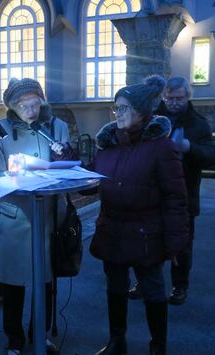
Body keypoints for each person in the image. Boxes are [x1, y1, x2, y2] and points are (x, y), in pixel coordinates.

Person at [88, 76, 189, 355]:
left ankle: (158, 347)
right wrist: (66, 164)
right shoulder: (108, 146)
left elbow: (175, 197)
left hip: (146, 232)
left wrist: (176, 242)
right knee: (116, 288)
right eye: (116, 108)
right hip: (112, 229)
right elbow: (92, 180)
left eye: (123, 108)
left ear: (142, 112)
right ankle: (117, 341)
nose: (117, 114)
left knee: (153, 291)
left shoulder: (161, 147)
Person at [0, 77, 73, 355]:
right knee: (13, 282)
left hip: (47, 214)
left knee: (45, 281)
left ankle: (42, 335)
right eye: (23, 105)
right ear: (12, 106)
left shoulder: (56, 126)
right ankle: (13, 338)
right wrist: (11, 173)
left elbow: (67, 168)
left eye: (35, 103)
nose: (30, 110)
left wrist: (62, 159)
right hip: (15, 215)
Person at [129, 76, 215, 305]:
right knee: (147, 240)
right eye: (169, 97)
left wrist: (190, 147)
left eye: (179, 98)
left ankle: (179, 286)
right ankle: (145, 280)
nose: (174, 102)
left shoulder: (198, 124)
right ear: (163, 96)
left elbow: (211, 156)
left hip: (184, 193)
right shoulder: (151, 118)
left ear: (188, 97)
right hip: (151, 192)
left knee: (182, 243)